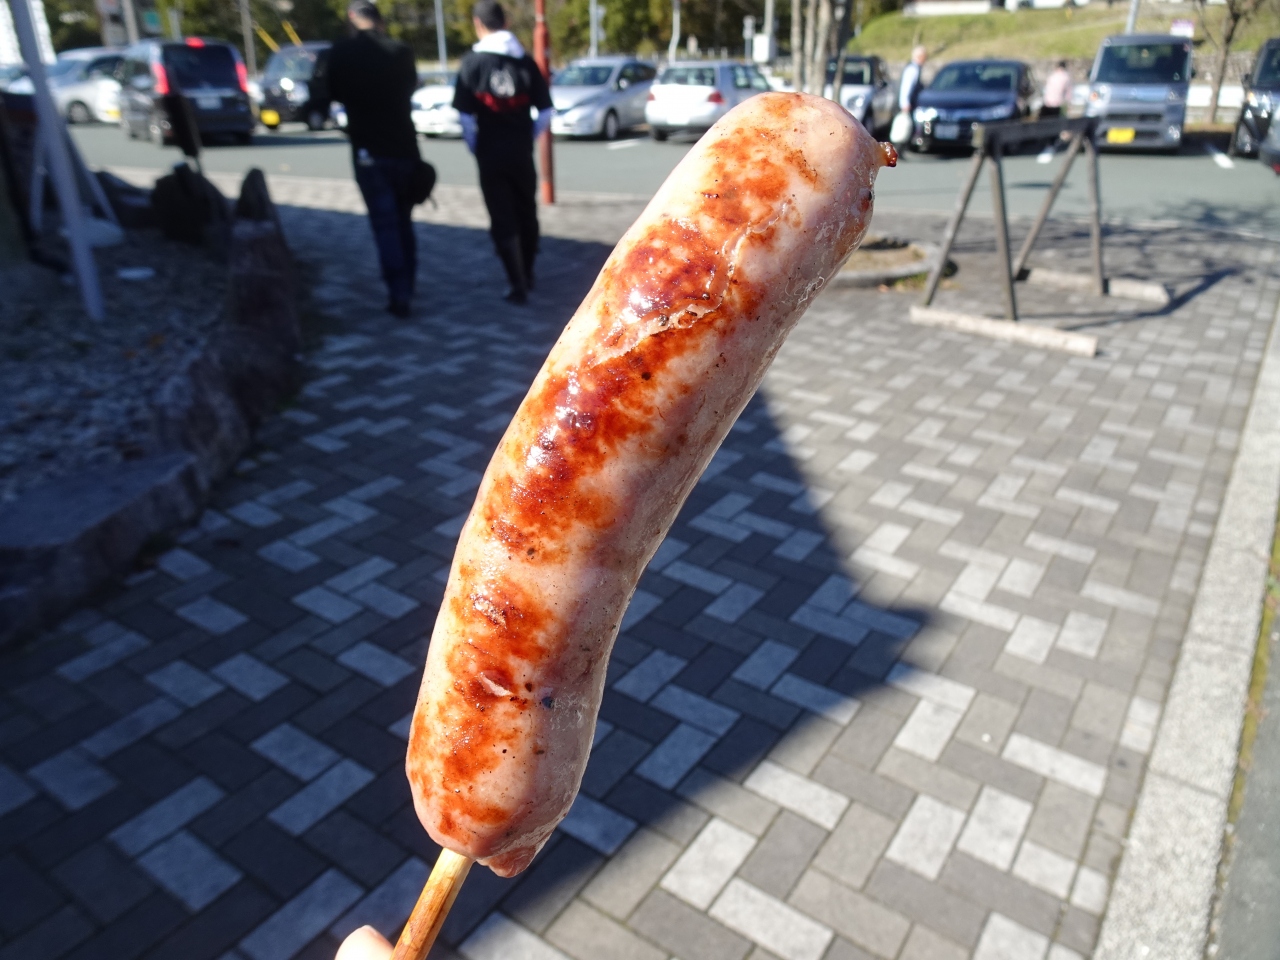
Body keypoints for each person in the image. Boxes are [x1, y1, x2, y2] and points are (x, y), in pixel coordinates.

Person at [453, 0, 554, 304]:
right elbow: (546, 111)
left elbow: (465, 117)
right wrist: (528, 136)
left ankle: (516, 282)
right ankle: (530, 273)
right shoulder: (524, 61)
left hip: (490, 153)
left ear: (478, 24)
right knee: (526, 212)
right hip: (520, 152)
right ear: (505, 22)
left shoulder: (472, 63)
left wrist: (475, 145)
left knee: (501, 216)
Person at [328, 0, 421, 318]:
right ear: (379, 20)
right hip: (405, 149)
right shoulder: (401, 51)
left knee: (385, 225)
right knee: (404, 220)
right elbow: (410, 87)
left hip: (368, 151)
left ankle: (399, 293)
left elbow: (330, 93)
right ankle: (409, 281)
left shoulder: (341, 52)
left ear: (351, 19)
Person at [892, 45, 927, 155]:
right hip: (905, 104)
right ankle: (898, 150)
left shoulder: (914, 68)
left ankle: (901, 150)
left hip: (906, 103)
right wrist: (905, 103)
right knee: (903, 127)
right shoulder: (912, 69)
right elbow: (906, 87)